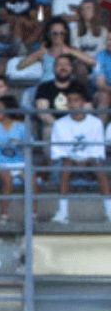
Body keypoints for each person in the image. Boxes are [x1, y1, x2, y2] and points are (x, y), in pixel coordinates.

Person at [47, 88, 109, 224]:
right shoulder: (59, 124)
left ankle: (109, 211)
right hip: (68, 160)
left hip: (90, 160)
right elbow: (58, 150)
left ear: (83, 103)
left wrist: (87, 159)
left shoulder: (95, 123)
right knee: (66, 167)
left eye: (76, 101)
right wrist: (72, 159)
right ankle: (63, 212)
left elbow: (98, 148)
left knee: (100, 167)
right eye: (70, 101)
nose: (73, 104)